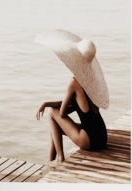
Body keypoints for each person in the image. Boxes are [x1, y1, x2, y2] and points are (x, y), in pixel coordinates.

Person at [32, 28, 111, 166]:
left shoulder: (74, 83)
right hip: (102, 136)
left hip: (90, 141)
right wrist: (48, 103)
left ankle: (59, 158)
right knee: (55, 123)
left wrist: (48, 105)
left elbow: (62, 113)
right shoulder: (92, 81)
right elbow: (75, 106)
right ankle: (51, 159)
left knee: (52, 114)